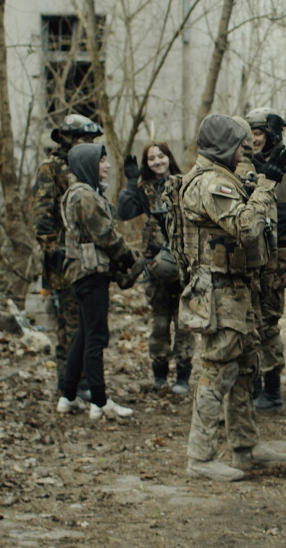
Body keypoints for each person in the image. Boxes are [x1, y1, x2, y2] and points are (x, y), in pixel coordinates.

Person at [178, 114, 286, 482]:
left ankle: (244, 446)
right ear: (224, 147)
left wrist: (257, 177)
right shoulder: (210, 183)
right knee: (218, 369)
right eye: (240, 145)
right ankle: (201, 456)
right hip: (219, 287)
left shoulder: (223, 176)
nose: (245, 151)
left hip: (238, 287)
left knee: (246, 367)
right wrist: (267, 185)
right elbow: (245, 227)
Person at [56, 143, 140, 419]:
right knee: (96, 337)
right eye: (102, 161)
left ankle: (68, 397)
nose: (106, 166)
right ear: (87, 165)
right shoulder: (84, 196)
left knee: (84, 335)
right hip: (90, 273)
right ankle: (100, 402)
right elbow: (105, 235)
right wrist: (131, 256)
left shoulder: (85, 193)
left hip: (85, 273)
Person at [34, 114, 103, 401]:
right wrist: (55, 251)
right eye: (82, 140)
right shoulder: (52, 168)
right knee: (70, 323)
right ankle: (71, 383)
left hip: (86, 254)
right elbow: (43, 216)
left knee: (84, 323)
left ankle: (74, 382)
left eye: (90, 140)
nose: (87, 145)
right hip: (64, 258)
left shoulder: (82, 165)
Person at [117, 141, 193, 395]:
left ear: (169, 157)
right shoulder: (143, 190)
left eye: (161, 156)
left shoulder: (185, 184)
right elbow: (124, 212)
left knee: (185, 323)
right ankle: (160, 375)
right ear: (146, 163)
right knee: (160, 324)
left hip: (184, 266)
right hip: (155, 267)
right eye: (151, 158)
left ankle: (183, 376)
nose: (157, 161)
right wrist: (130, 181)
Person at [245, 107, 286, 413]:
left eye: (259, 133)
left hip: (274, 256)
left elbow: (277, 214)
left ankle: (272, 391)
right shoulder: (253, 162)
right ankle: (255, 388)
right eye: (251, 133)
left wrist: (261, 178)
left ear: (272, 134)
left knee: (267, 324)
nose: (253, 139)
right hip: (253, 255)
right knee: (250, 322)